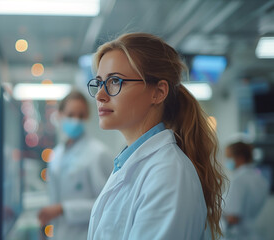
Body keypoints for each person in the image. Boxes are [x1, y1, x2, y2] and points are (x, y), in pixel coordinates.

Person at [85, 33, 226, 240]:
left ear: (158, 92)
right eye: (99, 82)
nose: (100, 95)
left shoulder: (168, 173)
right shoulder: (131, 165)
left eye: (115, 81)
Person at [38, 90, 113, 240]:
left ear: (87, 117)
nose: (76, 120)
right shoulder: (56, 155)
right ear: (59, 115)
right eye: (71, 115)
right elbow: (53, 198)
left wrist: (64, 209)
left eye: (81, 116)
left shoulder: (98, 153)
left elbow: (107, 204)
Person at [223, 142, 269, 240]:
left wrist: (215, 213)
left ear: (240, 157)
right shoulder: (262, 180)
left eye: (229, 157)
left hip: (240, 235)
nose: (227, 161)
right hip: (258, 235)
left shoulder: (238, 180)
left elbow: (233, 218)